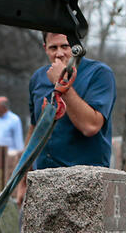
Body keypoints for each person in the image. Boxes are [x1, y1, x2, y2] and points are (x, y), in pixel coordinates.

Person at [26, 32, 116, 170]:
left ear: (76, 46)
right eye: (53, 48)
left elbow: (90, 126)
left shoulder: (99, 73)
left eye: (65, 46)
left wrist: (62, 84)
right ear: (45, 48)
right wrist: (23, 177)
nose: (59, 53)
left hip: (87, 179)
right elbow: (34, 129)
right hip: (43, 178)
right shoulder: (38, 78)